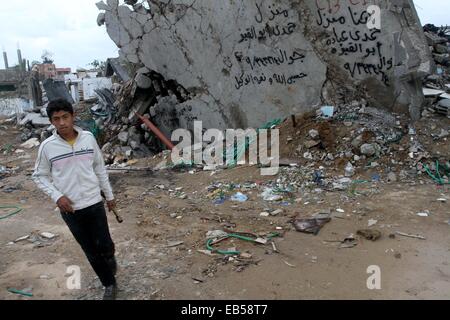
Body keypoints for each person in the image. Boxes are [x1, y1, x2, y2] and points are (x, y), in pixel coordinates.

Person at [32, 98, 118, 300]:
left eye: (65, 117)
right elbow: (39, 176)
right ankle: (109, 284)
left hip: (94, 203)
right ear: (51, 122)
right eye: (56, 119)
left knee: (105, 244)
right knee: (90, 250)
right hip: (70, 210)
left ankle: (110, 256)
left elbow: (99, 168)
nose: (62, 123)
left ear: (72, 117)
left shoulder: (88, 139)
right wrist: (57, 196)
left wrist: (110, 196)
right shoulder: (47, 147)